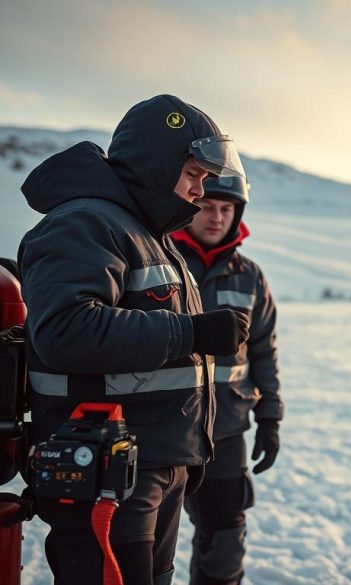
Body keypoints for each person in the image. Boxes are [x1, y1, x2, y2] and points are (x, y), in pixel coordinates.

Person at [18, 94, 251, 585]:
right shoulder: (85, 222)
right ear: (155, 163)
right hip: (105, 473)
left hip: (150, 463)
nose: (198, 192)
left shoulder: (148, 232)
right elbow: (66, 329)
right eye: (192, 175)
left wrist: (186, 450)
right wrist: (193, 331)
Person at [172, 174, 282, 585]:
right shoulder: (160, 264)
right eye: (207, 206)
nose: (216, 217)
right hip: (160, 430)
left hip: (226, 433)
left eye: (227, 209)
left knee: (225, 537)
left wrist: (270, 418)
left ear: (237, 214)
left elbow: (264, 352)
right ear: (189, 205)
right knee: (144, 544)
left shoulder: (250, 277)